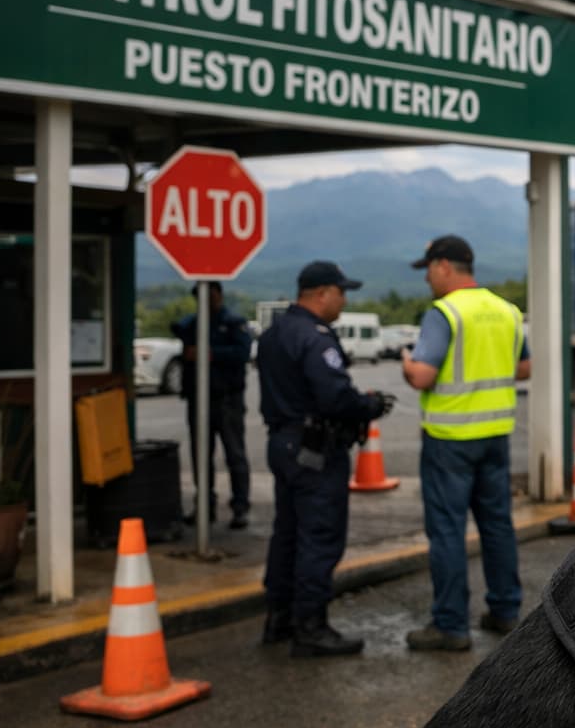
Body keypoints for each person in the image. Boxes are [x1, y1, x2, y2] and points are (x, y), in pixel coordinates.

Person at [399, 235, 529, 651]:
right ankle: (506, 611)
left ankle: (451, 625)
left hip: (450, 440)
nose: (427, 282)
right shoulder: (506, 311)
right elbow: (523, 368)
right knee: (497, 526)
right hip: (495, 437)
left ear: (443, 267)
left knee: (448, 532)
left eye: (429, 272)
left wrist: (407, 363)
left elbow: (423, 376)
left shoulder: (444, 313)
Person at [257, 261, 393, 658]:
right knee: (319, 536)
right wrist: (368, 405)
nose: (344, 300)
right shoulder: (316, 338)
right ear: (321, 293)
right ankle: (311, 627)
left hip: (282, 442)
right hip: (316, 449)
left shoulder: (274, 333)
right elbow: (334, 396)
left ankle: (278, 618)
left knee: (287, 534)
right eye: (341, 292)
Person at [171, 282, 253, 530]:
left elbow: (243, 353)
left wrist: (211, 353)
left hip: (227, 398)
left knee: (235, 454)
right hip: (199, 398)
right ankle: (204, 506)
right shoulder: (194, 323)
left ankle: (240, 507)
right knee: (200, 456)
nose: (206, 301)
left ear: (219, 295)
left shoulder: (232, 322)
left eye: (210, 295)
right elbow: (179, 335)